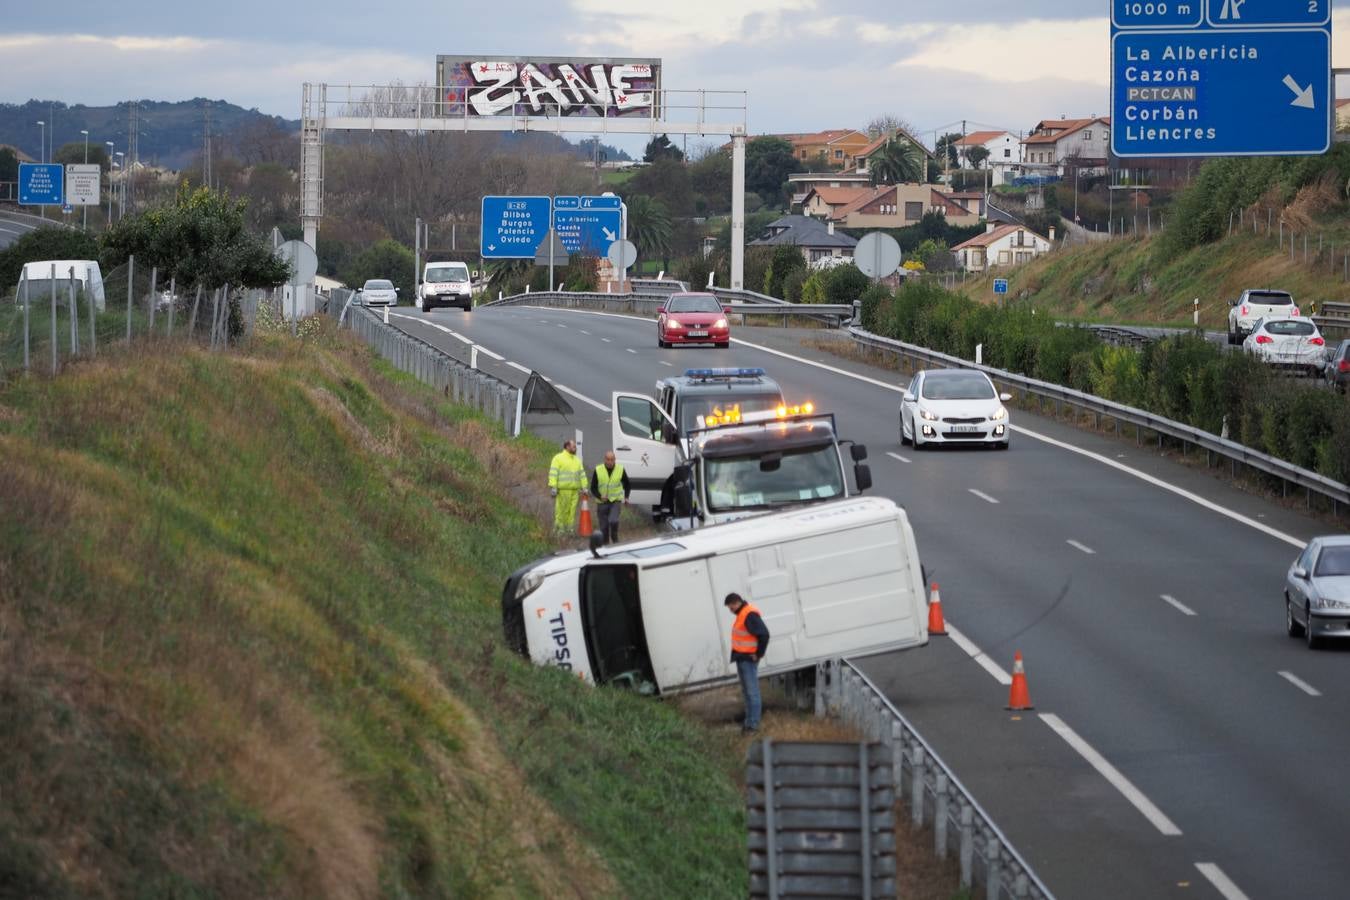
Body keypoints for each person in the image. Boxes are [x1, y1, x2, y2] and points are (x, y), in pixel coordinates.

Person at [724, 592, 770, 733]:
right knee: (747, 693)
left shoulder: (748, 614)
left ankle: (753, 726)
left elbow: (764, 634)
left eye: (730, 607)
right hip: (742, 659)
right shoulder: (743, 613)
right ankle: (749, 723)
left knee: (752, 693)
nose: (730, 610)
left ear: (736, 602)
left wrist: (758, 654)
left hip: (748, 659)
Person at [590, 451, 631, 544]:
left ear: (615, 460)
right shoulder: (598, 469)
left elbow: (628, 484)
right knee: (603, 528)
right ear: (604, 459)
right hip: (602, 503)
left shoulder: (620, 469)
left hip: (615, 501)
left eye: (612, 460)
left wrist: (626, 497)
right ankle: (606, 547)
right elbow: (593, 487)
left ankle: (615, 538)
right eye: (608, 459)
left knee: (613, 520)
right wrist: (600, 496)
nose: (610, 462)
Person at [547, 439, 584, 534]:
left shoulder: (577, 460)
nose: (575, 448)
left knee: (572, 511)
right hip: (563, 490)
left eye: (575, 446)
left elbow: (582, 474)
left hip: (575, 490)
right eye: (573, 446)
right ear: (567, 447)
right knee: (561, 510)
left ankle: (569, 529)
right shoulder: (558, 458)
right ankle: (560, 529)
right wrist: (553, 486)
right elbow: (553, 473)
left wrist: (584, 487)